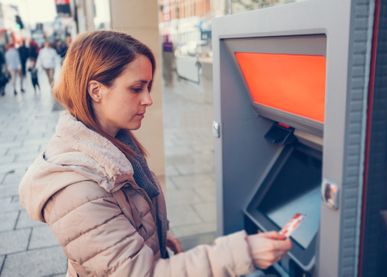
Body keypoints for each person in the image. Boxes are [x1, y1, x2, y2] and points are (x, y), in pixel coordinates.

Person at [18, 31, 291, 276]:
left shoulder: (116, 145)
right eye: (136, 88)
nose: (148, 99)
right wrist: (244, 253)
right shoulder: (77, 190)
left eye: (148, 87)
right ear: (96, 90)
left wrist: (157, 233)